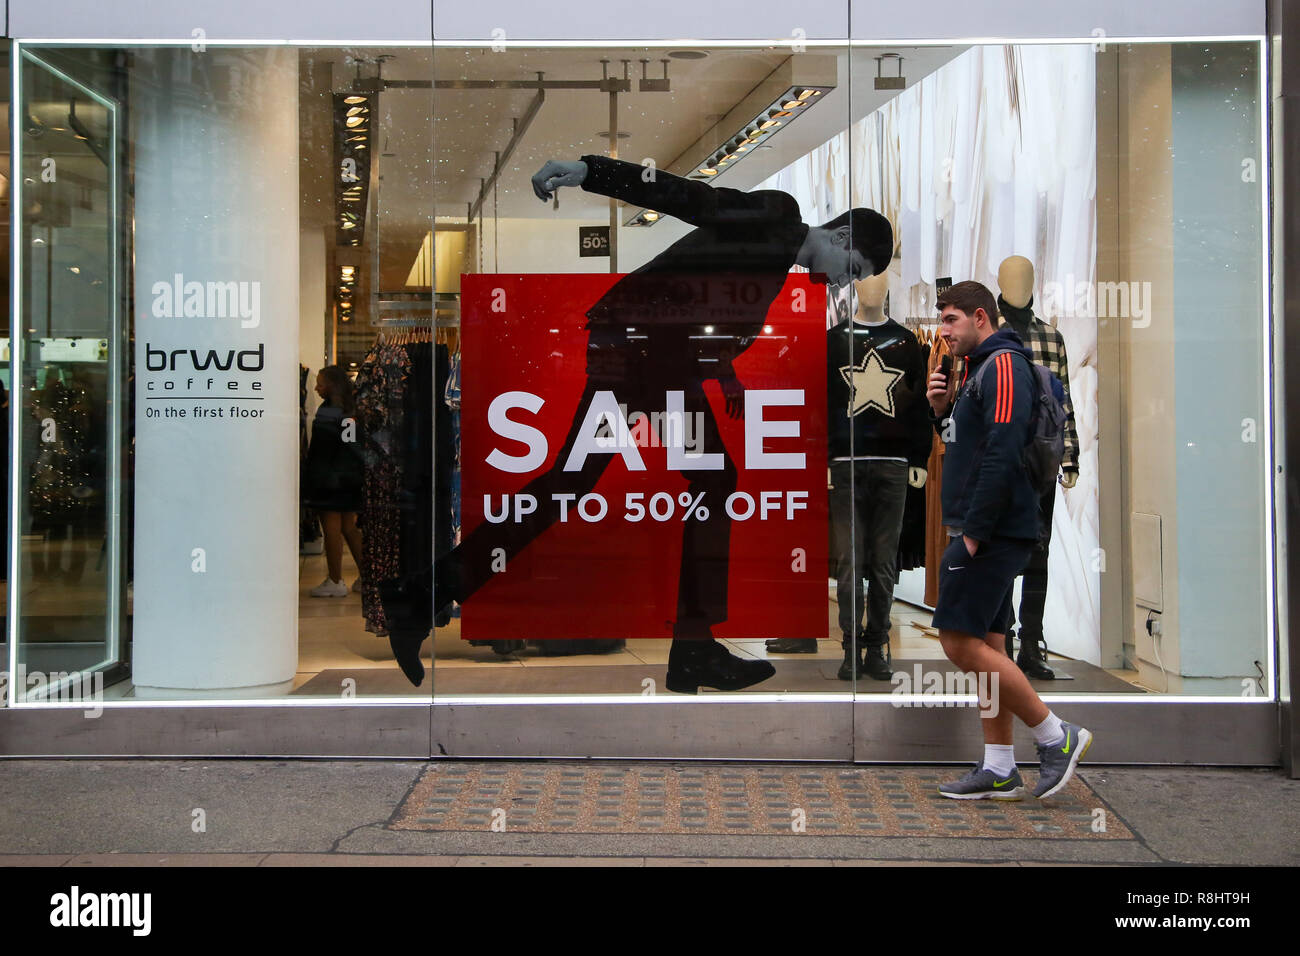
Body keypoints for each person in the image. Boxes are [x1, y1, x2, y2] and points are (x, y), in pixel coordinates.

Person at [384, 155, 893, 689]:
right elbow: (688, 197)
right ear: (841, 236)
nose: (842, 284)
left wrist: (725, 376)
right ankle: (693, 647)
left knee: (570, 483)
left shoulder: (775, 258)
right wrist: (589, 171)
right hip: (645, 356)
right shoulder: (776, 216)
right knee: (706, 480)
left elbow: (706, 310)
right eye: (852, 269)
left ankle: (420, 597)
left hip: (641, 355)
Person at [924, 280, 1092, 799]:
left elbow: (1001, 451)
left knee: (956, 639)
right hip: (989, 526)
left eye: (951, 319)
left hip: (993, 530)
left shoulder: (1002, 366)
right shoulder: (979, 370)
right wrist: (941, 410)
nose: (943, 331)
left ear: (980, 316)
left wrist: (973, 533)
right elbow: (970, 444)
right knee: (989, 643)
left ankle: (1054, 735)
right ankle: (999, 765)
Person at [303, 365, 364, 598]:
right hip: (350, 477)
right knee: (349, 527)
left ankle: (336, 580)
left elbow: (321, 449)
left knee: (331, 528)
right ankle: (366, 579)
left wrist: (314, 477)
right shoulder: (351, 408)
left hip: (330, 479)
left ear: (332, 385)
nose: (316, 387)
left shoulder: (328, 411)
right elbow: (353, 445)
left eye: (320, 383)